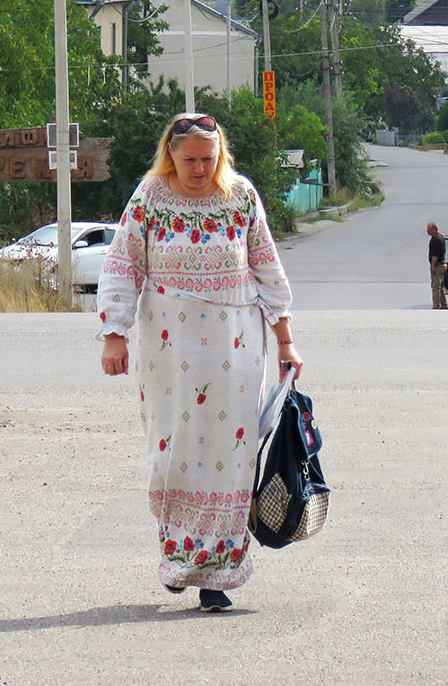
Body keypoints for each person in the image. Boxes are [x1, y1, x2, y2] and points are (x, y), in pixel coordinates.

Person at [96, 112, 301, 614]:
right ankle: (178, 554)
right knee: (173, 452)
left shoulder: (240, 196)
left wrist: (286, 342)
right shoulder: (149, 198)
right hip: (168, 347)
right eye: (189, 159)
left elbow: (267, 267)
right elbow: (122, 266)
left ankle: (216, 578)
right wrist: (113, 336)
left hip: (234, 348)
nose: (199, 169)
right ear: (171, 154)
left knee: (232, 458)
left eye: (209, 159)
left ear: (220, 155)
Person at [426, 222, 448, 310]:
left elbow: (435, 255)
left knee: (435, 287)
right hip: (443, 264)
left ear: (435, 229)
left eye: (429, 229)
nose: (427, 231)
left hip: (438, 265)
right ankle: (444, 304)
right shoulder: (441, 237)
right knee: (441, 287)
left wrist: (432, 266)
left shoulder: (435, 239)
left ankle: (436, 305)